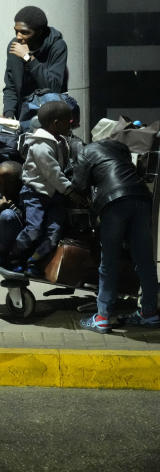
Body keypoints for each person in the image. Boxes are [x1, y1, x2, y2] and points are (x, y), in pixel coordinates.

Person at [71, 140, 159, 332]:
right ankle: (150, 313)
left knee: (109, 262)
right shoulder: (118, 149)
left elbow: (78, 185)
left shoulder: (84, 152)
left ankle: (102, 317)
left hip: (114, 202)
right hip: (141, 197)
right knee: (145, 261)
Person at [3, 101, 81, 277]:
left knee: (53, 234)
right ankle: (13, 257)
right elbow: (53, 173)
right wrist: (71, 192)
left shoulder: (59, 141)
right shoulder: (40, 146)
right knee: (34, 230)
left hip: (54, 196)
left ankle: (34, 262)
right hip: (35, 194)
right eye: (68, 122)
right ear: (55, 123)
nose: (72, 125)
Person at [3, 6, 68, 120]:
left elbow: (54, 87)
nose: (18, 36)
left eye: (24, 32)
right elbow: (11, 85)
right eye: (16, 31)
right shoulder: (15, 46)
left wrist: (28, 58)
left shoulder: (57, 46)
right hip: (23, 115)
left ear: (39, 32)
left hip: (50, 117)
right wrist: (8, 113)